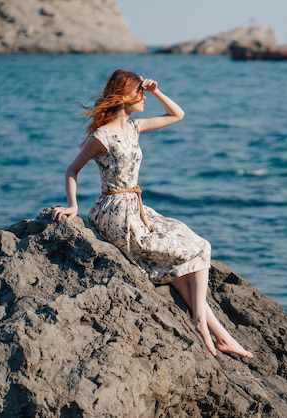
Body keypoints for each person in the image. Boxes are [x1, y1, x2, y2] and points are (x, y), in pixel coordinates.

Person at [52, 69, 253, 359]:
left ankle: (217, 333)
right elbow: (72, 169)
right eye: (140, 93)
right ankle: (206, 326)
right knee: (199, 249)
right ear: (124, 96)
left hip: (136, 207)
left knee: (187, 258)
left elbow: (177, 115)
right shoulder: (102, 136)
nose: (144, 98)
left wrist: (157, 90)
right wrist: (73, 206)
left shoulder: (134, 128)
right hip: (115, 212)